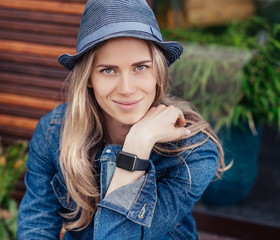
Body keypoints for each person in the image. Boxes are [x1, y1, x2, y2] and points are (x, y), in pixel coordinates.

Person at [17, 0, 225, 239]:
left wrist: (137, 146)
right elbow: (36, 228)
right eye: (108, 70)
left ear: (157, 70)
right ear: (88, 78)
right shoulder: (53, 132)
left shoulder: (192, 151)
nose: (126, 88)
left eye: (140, 67)